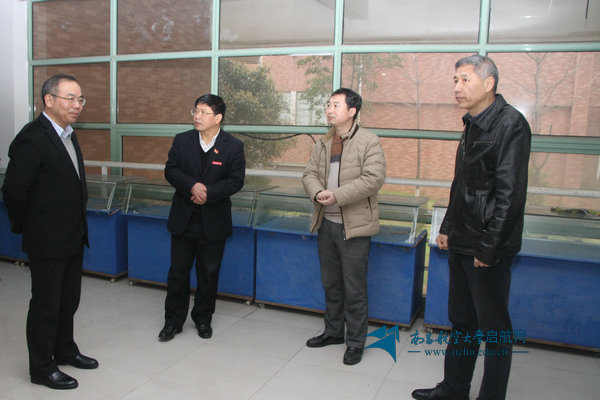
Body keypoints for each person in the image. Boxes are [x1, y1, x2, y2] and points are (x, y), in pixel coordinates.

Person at [412, 55, 531, 400]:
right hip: (462, 241)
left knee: (495, 332)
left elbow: (510, 196)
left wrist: (489, 249)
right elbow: (462, 185)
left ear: (489, 83)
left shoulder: (511, 124)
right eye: (455, 80)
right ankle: (454, 389)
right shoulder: (472, 124)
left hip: (487, 249)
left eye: (465, 80)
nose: (457, 87)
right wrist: (448, 226)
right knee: (462, 321)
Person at [2, 74, 98, 390]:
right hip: (46, 240)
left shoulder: (68, 134)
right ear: (49, 99)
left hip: (72, 236)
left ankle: (65, 350)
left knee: (68, 300)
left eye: (80, 99)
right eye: (70, 98)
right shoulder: (32, 137)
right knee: (46, 305)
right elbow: (14, 191)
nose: (77, 104)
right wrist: (30, 228)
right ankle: (42, 367)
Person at [302, 88, 386, 365]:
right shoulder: (325, 141)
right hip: (326, 223)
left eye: (336, 105)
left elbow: (373, 179)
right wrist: (317, 192)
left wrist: (337, 196)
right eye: (328, 104)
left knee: (354, 289)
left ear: (352, 111)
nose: (329, 109)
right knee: (331, 284)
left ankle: (356, 342)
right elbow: (309, 173)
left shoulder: (368, 141)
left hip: (354, 227)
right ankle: (334, 332)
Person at [158, 94, 245, 342]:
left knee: (209, 274)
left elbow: (236, 180)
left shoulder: (233, 146)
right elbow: (171, 170)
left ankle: (203, 319)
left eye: (204, 112)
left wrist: (208, 192)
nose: (197, 116)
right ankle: (173, 321)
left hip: (214, 220)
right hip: (183, 218)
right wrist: (192, 186)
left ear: (218, 118)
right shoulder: (182, 140)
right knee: (178, 273)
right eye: (195, 111)